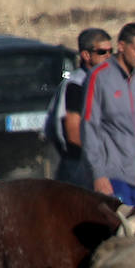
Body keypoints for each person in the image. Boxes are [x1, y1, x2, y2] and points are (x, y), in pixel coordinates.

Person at [81, 22, 135, 207]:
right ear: (121, 46)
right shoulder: (99, 77)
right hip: (111, 177)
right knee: (121, 231)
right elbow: (89, 127)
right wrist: (98, 175)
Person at [45, 26, 111, 188]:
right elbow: (74, 134)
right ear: (86, 55)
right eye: (102, 52)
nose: (109, 57)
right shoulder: (76, 86)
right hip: (77, 164)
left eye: (111, 51)